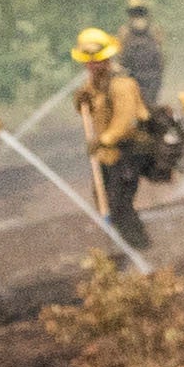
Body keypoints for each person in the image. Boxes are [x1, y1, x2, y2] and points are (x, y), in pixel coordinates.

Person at [71, 27, 157, 244]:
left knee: (119, 205)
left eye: (95, 61)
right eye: (88, 62)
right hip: (107, 155)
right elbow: (92, 112)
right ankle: (125, 246)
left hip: (127, 152)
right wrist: (81, 101)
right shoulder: (94, 84)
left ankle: (139, 246)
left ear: (106, 59)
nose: (90, 66)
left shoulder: (122, 84)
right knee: (106, 202)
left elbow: (124, 123)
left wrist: (102, 141)